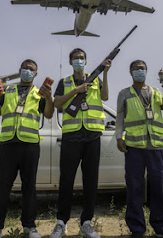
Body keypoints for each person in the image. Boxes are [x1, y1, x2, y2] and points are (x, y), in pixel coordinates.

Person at [0, 59, 54, 238]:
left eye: (31, 70)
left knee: (29, 188)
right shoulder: (9, 90)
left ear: (36, 75)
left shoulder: (39, 93)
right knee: (3, 187)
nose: (28, 71)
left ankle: (29, 227)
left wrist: (49, 97)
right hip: (8, 144)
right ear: (19, 70)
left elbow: (49, 114)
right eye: (25, 68)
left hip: (30, 144)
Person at [49, 48, 111, 238]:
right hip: (71, 137)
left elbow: (105, 97)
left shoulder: (94, 79)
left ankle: (86, 223)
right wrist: (76, 91)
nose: (79, 61)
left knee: (90, 181)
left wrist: (105, 73)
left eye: (82, 58)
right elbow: (57, 103)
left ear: (86, 60)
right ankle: (61, 222)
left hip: (92, 136)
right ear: (70, 62)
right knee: (66, 181)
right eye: (76, 58)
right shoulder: (65, 82)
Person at [115, 60, 163, 238]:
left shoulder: (156, 92)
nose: (139, 71)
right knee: (135, 186)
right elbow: (120, 116)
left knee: (160, 186)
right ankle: (137, 228)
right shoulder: (124, 94)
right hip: (134, 147)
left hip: (156, 146)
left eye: (142, 69)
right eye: (136, 69)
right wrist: (119, 137)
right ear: (130, 72)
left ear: (147, 72)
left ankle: (161, 225)